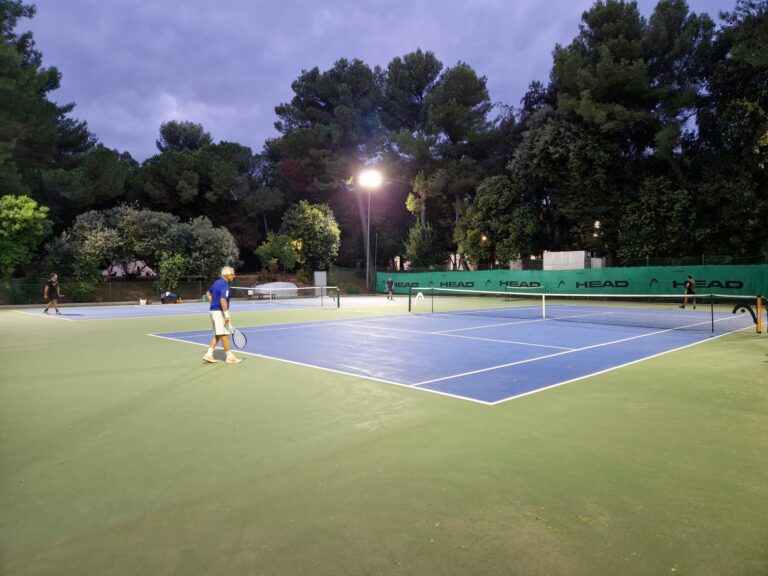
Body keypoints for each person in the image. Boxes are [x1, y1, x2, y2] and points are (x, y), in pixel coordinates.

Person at [202, 266, 242, 364]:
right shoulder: (225, 285)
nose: (234, 276)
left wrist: (213, 303)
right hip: (219, 312)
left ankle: (208, 354)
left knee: (219, 335)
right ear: (227, 275)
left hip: (213, 311)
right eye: (232, 274)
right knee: (225, 335)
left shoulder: (216, 283)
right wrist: (226, 315)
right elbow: (223, 301)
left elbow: (208, 293)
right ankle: (230, 357)